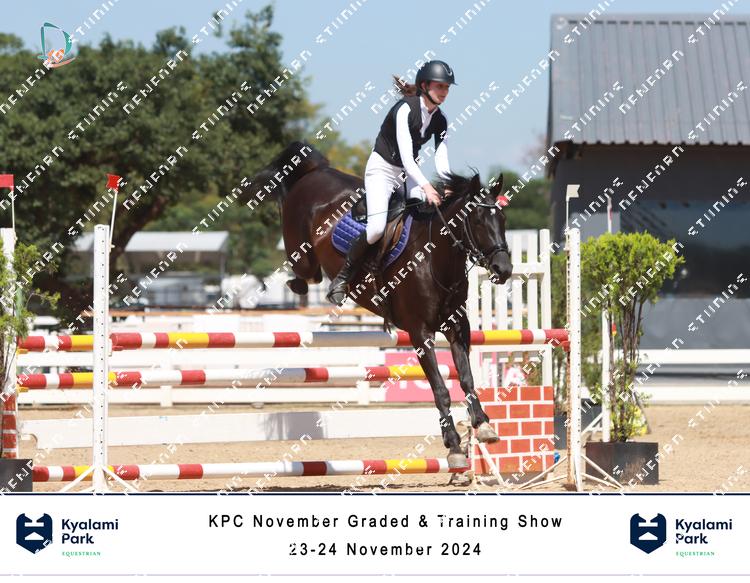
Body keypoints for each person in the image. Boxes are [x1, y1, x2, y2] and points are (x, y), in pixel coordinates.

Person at [326, 60, 456, 305]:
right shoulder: (405, 109)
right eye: (440, 86)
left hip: (407, 175)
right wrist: (428, 186)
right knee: (376, 228)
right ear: (424, 86)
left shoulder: (441, 119)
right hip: (382, 171)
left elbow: (441, 157)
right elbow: (407, 158)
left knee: (424, 216)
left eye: (447, 87)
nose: (444, 92)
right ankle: (343, 277)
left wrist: (448, 185)